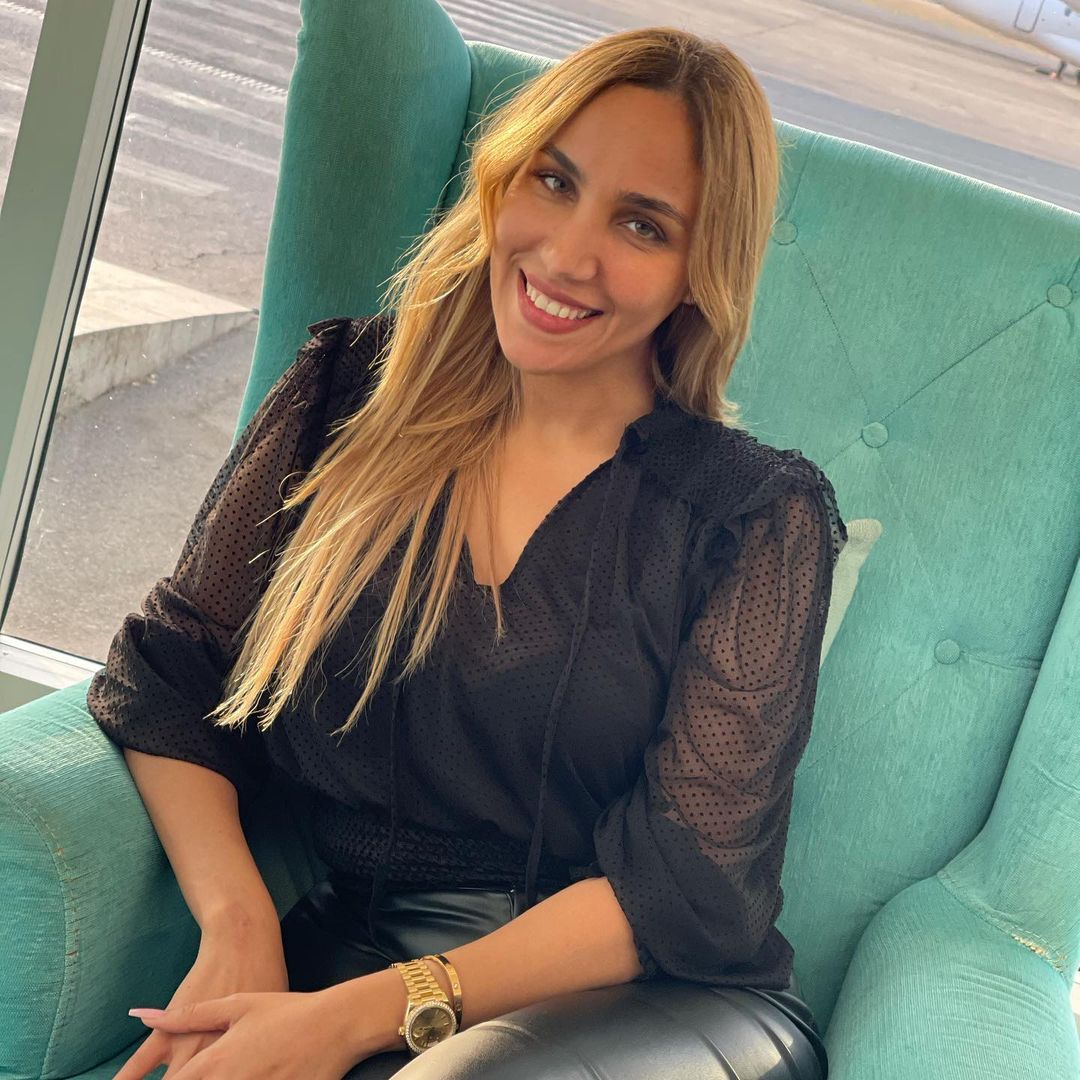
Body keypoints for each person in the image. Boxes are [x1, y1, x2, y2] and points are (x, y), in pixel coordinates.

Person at [89, 25, 845, 1080]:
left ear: (698, 270)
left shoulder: (749, 517)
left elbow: (684, 885)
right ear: (502, 180)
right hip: (353, 960)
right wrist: (238, 922)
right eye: (554, 180)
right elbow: (168, 675)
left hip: (659, 1004)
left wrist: (362, 1017)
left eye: (641, 223)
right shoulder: (346, 401)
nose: (567, 255)